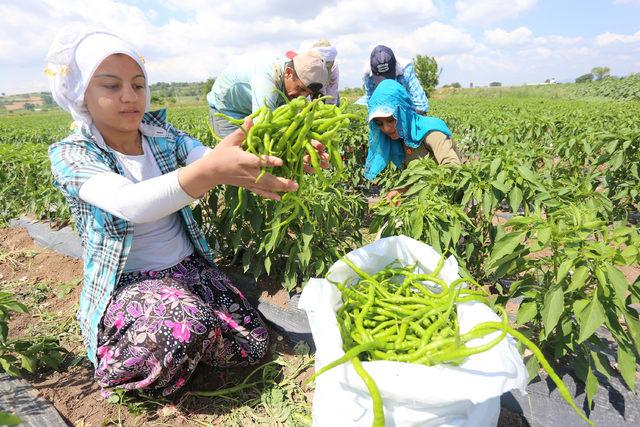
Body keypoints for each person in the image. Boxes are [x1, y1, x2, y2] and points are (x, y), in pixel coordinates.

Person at [45, 26, 328, 397]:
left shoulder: (163, 136)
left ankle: (187, 341)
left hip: (186, 270)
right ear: (82, 92)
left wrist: (277, 160)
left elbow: (210, 160)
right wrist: (209, 173)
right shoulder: (73, 154)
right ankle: (122, 366)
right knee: (186, 322)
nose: (129, 96)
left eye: (137, 84)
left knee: (254, 340)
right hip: (130, 283)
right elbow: (131, 203)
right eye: (111, 86)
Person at [363, 79, 460, 201]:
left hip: (452, 196)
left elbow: (453, 167)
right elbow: (415, 177)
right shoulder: (400, 137)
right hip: (428, 198)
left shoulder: (432, 132)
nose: (386, 128)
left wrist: (429, 185)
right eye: (379, 123)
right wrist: (400, 190)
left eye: (390, 120)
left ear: (403, 113)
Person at [206, 51, 329, 138]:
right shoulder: (266, 78)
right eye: (300, 88)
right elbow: (263, 125)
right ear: (288, 73)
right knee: (233, 161)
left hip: (251, 108)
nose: (302, 96)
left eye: (308, 93)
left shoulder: (293, 76)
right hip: (227, 111)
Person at [357, 45, 429, 114]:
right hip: (383, 105)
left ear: (395, 65)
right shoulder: (368, 74)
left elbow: (420, 101)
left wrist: (415, 118)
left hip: (406, 105)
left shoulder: (405, 69)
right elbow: (370, 98)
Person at [287, 39, 340, 105]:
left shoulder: (334, 67)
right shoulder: (307, 63)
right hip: (310, 90)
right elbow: (304, 86)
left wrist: (330, 105)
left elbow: (333, 88)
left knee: (331, 101)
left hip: (323, 92)